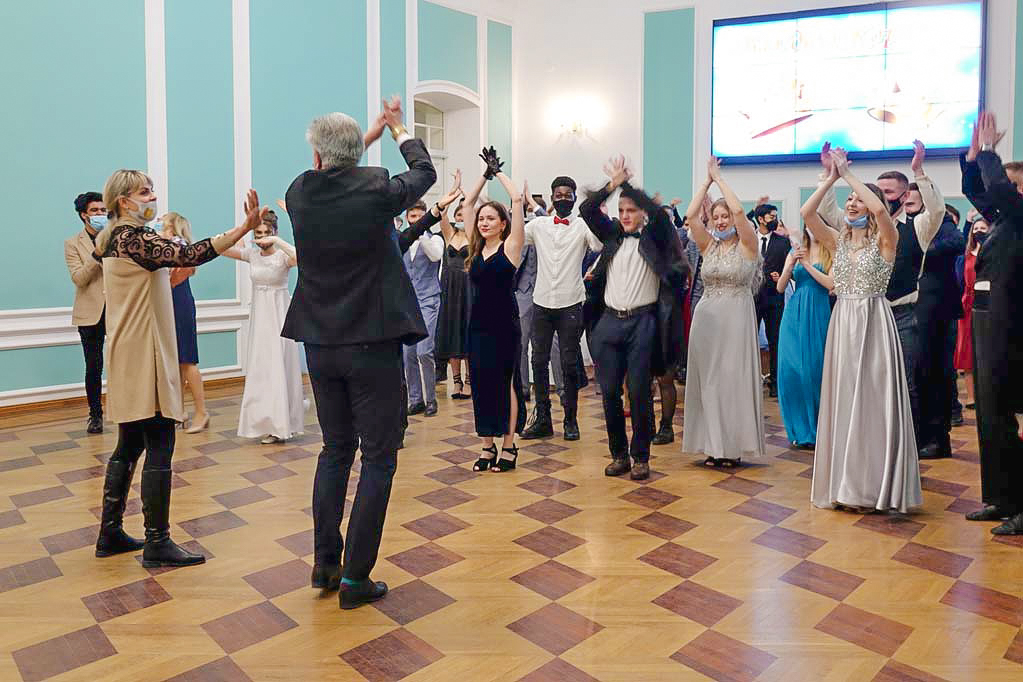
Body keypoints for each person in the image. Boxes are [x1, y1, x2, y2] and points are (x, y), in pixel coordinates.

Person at [281, 97, 437, 608]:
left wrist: (360, 138)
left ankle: (325, 565)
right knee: (379, 457)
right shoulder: (376, 190)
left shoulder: (299, 192)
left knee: (335, 450)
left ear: (317, 156)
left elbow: (332, 166)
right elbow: (425, 171)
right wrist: (396, 128)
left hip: (319, 343)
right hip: (371, 343)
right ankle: (355, 578)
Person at [92, 170, 263, 567]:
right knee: (160, 441)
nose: (151, 197)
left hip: (128, 348)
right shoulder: (133, 237)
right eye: (144, 192)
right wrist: (243, 228)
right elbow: (190, 254)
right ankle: (157, 541)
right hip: (145, 350)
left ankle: (110, 532)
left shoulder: (115, 237)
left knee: (130, 443)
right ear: (123, 201)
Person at [803, 146, 921, 513]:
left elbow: (882, 211)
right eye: (850, 200)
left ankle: (871, 487)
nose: (852, 204)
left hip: (873, 319)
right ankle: (844, 484)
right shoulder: (837, 241)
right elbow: (807, 213)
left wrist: (849, 175)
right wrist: (832, 179)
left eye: (858, 199)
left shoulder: (887, 239)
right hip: (843, 321)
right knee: (844, 398)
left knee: (872, 400)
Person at [817, 140, 944, 451]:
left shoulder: (917, 226)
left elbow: (937, 209)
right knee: (862, 383)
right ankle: (866, 446)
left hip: (902, 315)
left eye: (888, 192)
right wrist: (828, 174)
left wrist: (919, 171)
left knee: (904, 382)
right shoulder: (856, 230)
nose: (880, 196)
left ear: (903, 195)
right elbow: (826, 212)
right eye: (878, 191)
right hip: (858, 317)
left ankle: (904, 448)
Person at [580, 156, 688, 480]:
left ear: (642, 214)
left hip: (643, 322)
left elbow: (659, 214)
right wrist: (612, 185)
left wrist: (627, 183)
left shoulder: (655, 237)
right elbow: (587, 209)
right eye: (621, 210)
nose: (625, 215)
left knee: (640, 391)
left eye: (631, 210)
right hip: (609, 322)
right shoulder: (612, 235)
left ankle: (641, 456)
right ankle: (619, 455)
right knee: (610, 392)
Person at [959, 111, 1023, 535]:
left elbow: (996, 187)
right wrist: (974, 157)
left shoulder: (1019, 216)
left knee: (1009, 415)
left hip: (1013, 326)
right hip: (986, 321)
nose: (1001, 190)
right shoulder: (1004, 220)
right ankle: (1000, 499)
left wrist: (990, 152)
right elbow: (976, 189)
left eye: (1012, 184)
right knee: (990, 415)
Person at [681, 158, 765, 468]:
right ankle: (712, 445)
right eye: (716, 217)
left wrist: (720, 180)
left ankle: (732, 446)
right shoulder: (708, 247)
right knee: (709, 382)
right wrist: (705, 183)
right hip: (706, 320)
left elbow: (741, 212)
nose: (719, 221)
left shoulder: (748, 245)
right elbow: (691, 216)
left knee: (731, 380)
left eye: (724, 216)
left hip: (736, 318)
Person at [520, 174, 604, 442]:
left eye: (569, 195)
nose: (564, 199)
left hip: (571, 303)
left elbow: (599, 245)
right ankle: (543, 419)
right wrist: (517, 202)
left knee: (568, 364)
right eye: (559, 195)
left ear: (575, 198)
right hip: (542, 302)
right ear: (552, 197)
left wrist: (592, 213)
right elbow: (515, 237)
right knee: (538, 361)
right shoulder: (539, 225)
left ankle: (570, 420)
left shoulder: (582, 226)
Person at [461, 149, 527, 472]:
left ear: (503, 224)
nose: (484, 222)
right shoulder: (475, 247)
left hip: (505, 325)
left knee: (506, 383)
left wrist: (499, 173)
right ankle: (487, 446)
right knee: (481, 384)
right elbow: (467, 205)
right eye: (482, 219)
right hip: (478, 325)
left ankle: (509, 445)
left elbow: (516, 200)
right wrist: (483, 175)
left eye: (491, 218)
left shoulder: (511, 247)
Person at [218, 210, 305, 444]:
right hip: (260, 317)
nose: (263, 236)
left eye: (267, 232)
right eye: (259, 233)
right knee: (262, 368)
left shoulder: (283, 257)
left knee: (279, 366)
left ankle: (282, 424)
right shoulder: (252, 254)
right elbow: (222, 247)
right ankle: (265, 422)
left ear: (275, 232)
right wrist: (244, 228)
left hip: (280, 315)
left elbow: (301, 257)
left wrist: (278, 241)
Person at [914, 199, 966, 457]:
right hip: (906, 312)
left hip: (936, 313)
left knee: (935, 376)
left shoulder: (941, 221)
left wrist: (919, 249)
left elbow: (957, 242)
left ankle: (937, 439)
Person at [775, 228, 833, 449]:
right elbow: (780, 287)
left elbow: (830, 284)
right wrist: (790, 265)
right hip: (794, 313)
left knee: (815, 370)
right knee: (791, 370)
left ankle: (819, 428)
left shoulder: (830, 250)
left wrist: (807, 265)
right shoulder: (796, 250)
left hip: (818, 312)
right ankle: (798, 429)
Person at [156, 212, 208, 434]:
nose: (158, 227)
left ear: (173, 228)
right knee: (175, 361)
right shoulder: (167, 247)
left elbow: (176, 276)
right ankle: (179, 410)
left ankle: (201, 412)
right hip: (168, 303)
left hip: (179, 303)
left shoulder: (179, 248)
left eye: (163, 224)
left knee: (187, 359)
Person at [402, 192, 453, 417]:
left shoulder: (435, 239)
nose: (416, 220)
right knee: (408, 353)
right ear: (407, 217)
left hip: (429, 300)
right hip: (408, 303)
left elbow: (434, 256)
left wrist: (421, 232)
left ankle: (431, 399)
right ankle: (416, 400)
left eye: (420, 216)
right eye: (413, 216)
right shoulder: (403, 241)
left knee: (424, 351)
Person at [65, 192, 109, 434]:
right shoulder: (73, 243)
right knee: (94, 366)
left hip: (120, 309)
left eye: (103, 210)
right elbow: (79, 278)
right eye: (95, 210)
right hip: (90, 313)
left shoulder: (117, 238)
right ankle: (95, 415)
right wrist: (97, 254)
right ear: (84, 215)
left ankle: (131, 412)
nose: (100, 214)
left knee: (125, 363)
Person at [752, 203, 790, 398]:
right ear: (761, 219)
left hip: (775, 298)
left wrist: (782, 276)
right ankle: (750, 379)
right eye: (771, 216)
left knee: (775, 340)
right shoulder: (749, 240)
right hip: (752, 298)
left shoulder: (783, 242)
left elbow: (790, 268)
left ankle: (775, 382)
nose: (775, 219)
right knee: (749, 340)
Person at [436, 199, 472, 399]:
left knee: (467, 334)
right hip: (450, 288)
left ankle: (469, 380)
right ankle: (456, 380)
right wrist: (451, 196)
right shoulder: (450, 234)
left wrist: (470, 203)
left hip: (468, 287)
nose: (461, 218)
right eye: (458, 215)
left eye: (464, 215)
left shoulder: (473, 235)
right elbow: (442, 216)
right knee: (452, 334)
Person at [954, 217, 989, 409]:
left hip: (989, 303)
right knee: (967, 353)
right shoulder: (965, 255)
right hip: (967, 305)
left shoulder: (993, 252)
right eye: (976, 228)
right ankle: (971, 397)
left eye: (983, 228)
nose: (979, 231)